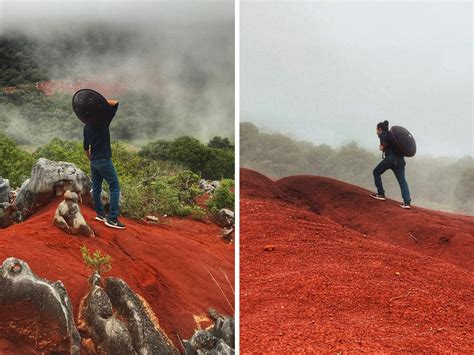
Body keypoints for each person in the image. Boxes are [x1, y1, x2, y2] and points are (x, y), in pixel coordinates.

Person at [83, 98, 126, 229]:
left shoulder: (86, 126)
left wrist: (91, 159)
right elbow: (116, 103)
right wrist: (100, 101)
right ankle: (112, 219)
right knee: (114, 187)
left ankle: (100, 214)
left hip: (94, 161)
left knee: (96, 188)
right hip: (104, 159)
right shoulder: (103, 122)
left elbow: (85, 147)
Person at [370, 120, 411, 209]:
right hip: (400, 161)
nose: (376, 133)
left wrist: (382, 148)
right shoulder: (394, 137)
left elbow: (385, 143)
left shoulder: (383, 135)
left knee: (376, 172)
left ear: (380, 129)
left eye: (377, 130)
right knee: (402, 181)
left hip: (391, 159)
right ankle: (407, 202)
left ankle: (380, 193)